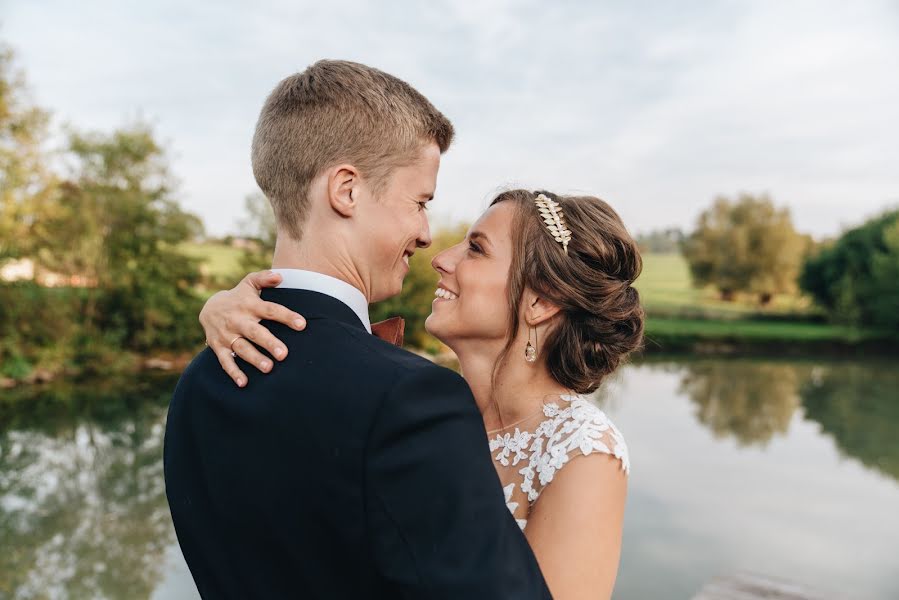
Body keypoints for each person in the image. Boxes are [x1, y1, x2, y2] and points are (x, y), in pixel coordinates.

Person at [164, 60, 551, 599]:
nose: (424, 234)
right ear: (346, 190)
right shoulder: (412, 400)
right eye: (419, 202)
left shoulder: (199, 384)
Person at [202, 187, 645, 598]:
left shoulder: (580, 451)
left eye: (476, 248)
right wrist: (226, 309)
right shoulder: (415, 407)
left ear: (541, 301)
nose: (441, 258)